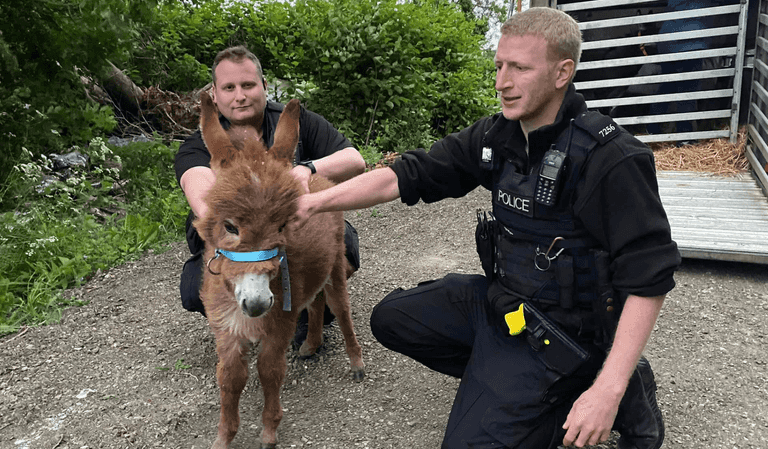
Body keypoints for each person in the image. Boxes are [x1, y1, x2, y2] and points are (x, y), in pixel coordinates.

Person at [291, 7, 680, 449]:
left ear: (562, 73)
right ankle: (521, 384)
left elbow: (650, 277)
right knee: (392, 319)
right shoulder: (500, 135)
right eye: (498, 65)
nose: (501, 82)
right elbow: (407, 174)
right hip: (506, 307)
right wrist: (314, 202)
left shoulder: (612, 159)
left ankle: (610, 386)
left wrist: (608, 392)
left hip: (566, 329)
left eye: (519, 68)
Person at [174, 46, 365, 345]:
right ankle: (243, 315)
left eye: (248, 85)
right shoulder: (200, 143)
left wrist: (305, 170)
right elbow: (198, 191)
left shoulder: (297, 120)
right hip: (235, 242)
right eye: (229, 87)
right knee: (193, 289)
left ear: (264, 86)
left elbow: (355, 161)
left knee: (344, 250)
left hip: (293, 232)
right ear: (214, 94)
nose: (240, 95)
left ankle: (305, 310)